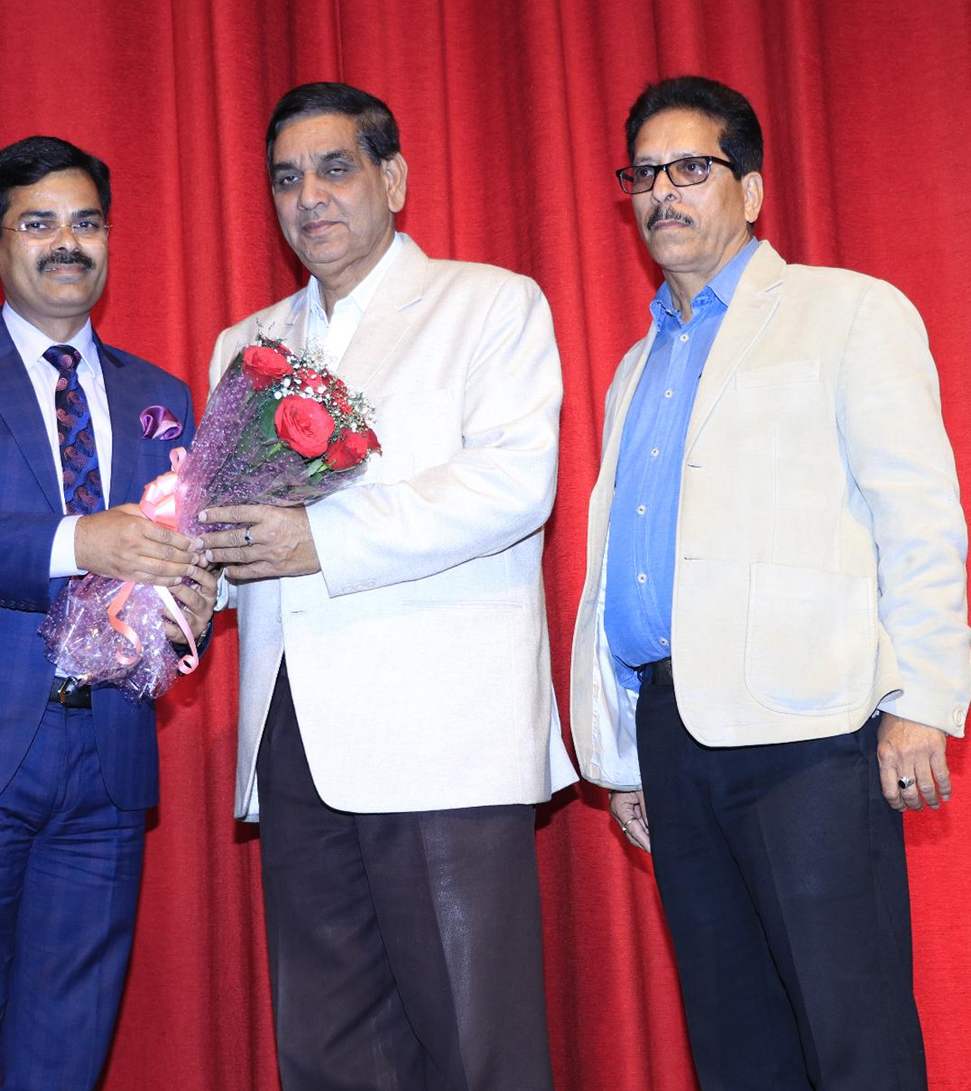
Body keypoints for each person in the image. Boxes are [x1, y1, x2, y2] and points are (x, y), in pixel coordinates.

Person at [569, 75, 970, 1091]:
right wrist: (621, 749)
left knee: (854, 1034)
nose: (663, 192)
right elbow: (628, 565)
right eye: (644, 174)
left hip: (810, 735)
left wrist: (921, 698)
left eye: (690, 167)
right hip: (672, 729)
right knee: (736, 1039)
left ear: (748, 186)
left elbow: (917, 515)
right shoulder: (635, 364)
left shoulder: (847, 311)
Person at [198, 82, 576, 1091]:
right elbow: (234, 535)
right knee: (328, 1049)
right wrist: (186, 589)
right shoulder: (247, 344)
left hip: (440, 735)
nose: (310, 197)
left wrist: (319, 538)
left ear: (393, 179)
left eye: (335, 168)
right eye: (286, 178)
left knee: (475, 1044)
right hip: (293, 735)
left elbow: (511, 487)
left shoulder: (488, 304)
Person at [0, 135, 215, 1090]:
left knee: (68, 1052)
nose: (69, 243)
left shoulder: (163, 396)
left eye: (87, 222)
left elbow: (177, 554)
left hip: (106, 763)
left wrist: (195, 595)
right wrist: (78, 543)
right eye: (39, 222)